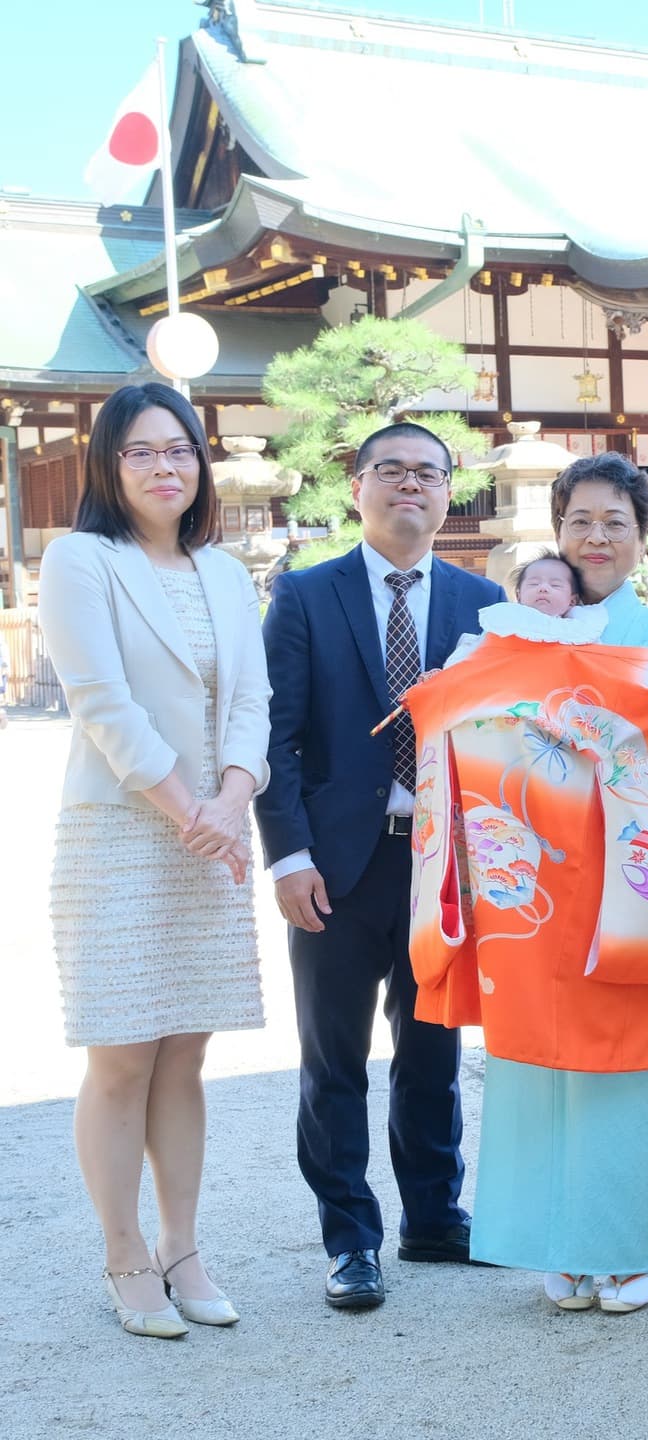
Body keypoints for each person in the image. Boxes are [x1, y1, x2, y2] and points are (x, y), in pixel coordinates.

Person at [253, 421, 503, 1311]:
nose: (410, 486)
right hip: (334, 865)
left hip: (444, 867)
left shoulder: (483, 603)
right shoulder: (305, 596)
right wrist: (287, 856)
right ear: (356, 486)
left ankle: (434, 1214)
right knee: (334, 1057)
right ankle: (350, 1237)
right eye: (390, 471)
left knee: (434, 1050)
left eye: (427, 473)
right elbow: (273, 739)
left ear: (448, 491)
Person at [38, 383, 270, 1338]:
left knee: (188, 1052)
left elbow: (254, 699)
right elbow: (101, 703)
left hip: (213, 823)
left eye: (179, 450)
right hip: (126, 829)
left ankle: (184, 1245)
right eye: (141, 452)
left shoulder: (224, 569)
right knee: (124, 1054)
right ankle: (123, 1251)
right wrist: (191, 811)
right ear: (109, 464)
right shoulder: (79, 559)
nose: (164, 468)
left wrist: (231, 798)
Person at [460, 452, 648, 1314]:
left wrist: (540, 687)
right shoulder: (511, 621)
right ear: (556, 531)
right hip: (529, 868)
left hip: (626, 869)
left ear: (643, 537)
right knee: (537, 1059)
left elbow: (639, 729)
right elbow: (477, 713)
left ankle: (629, 1242)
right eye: (579, 522)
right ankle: (555, 1237)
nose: (596, 539)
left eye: (615, 523)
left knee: (625, 1057)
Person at [512, 551, 583, 616]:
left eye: (555, 585)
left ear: (572, 601)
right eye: (534, 583)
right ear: (519, 596)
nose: (543, 588)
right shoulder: (508, 618)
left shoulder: (579, 624)